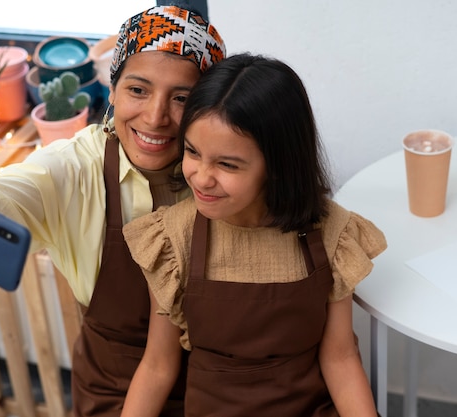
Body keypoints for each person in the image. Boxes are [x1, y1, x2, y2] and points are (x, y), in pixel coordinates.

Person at [0, 5, 226, 416]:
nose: (155, 116)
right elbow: (6, 194)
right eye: (138, 90)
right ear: (112, 89)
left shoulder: (228, 172)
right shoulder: (74, 168)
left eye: (182, 98)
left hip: (222, 390)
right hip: (114, 392)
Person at [121, 53, 387, 417]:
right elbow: (157, 367)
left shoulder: (332, 234)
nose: (200, 177)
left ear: (278, 166)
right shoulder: (171, 239)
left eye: (227, 164)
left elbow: (340, 357)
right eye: (192, 152)